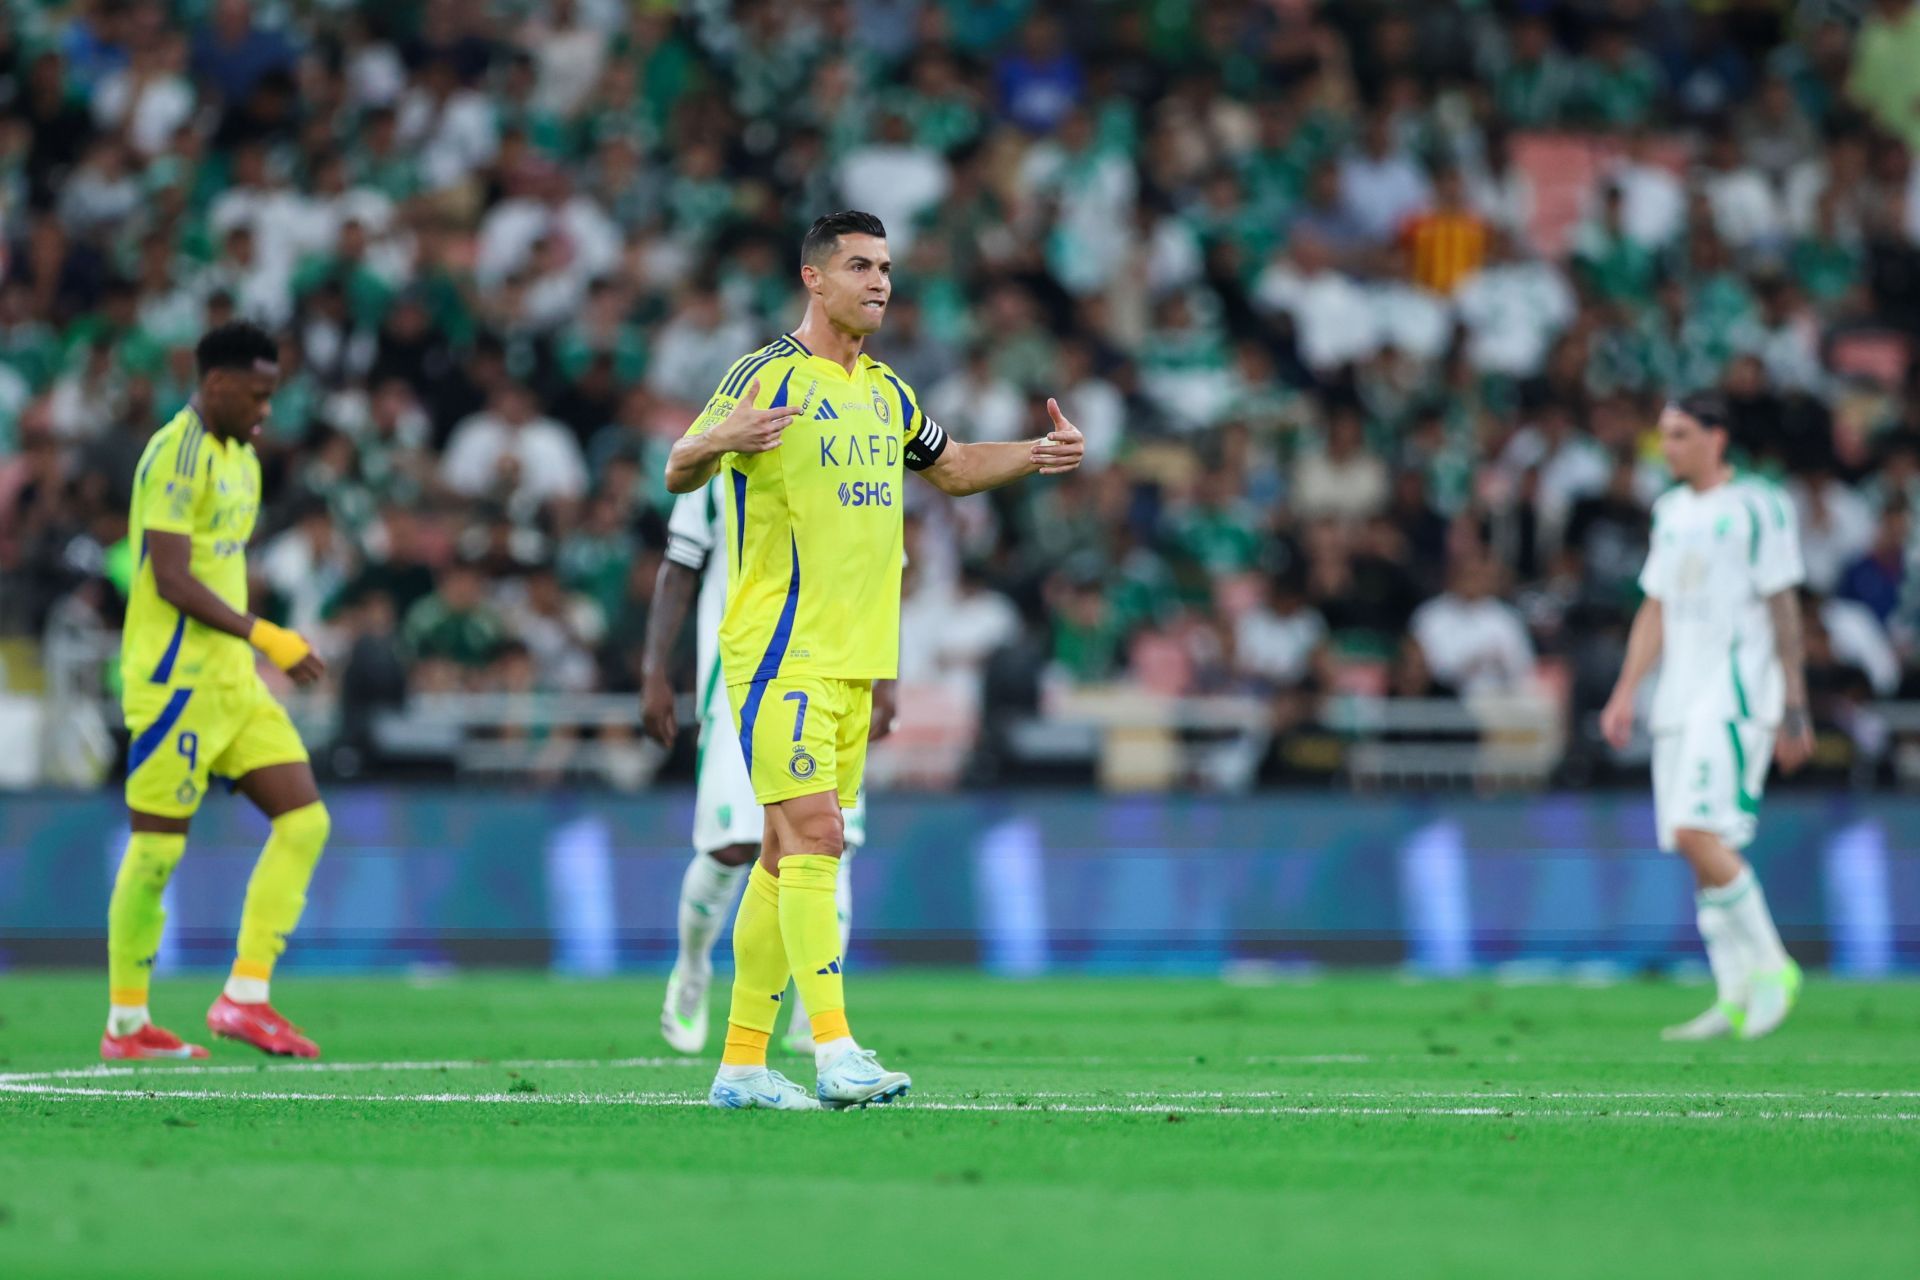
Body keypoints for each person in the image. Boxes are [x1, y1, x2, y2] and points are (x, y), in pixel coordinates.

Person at [663, 210, 1086, 1110]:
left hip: (856, 661)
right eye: (860, 266)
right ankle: (834, 1048)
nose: (881, 283)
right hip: (780, 654)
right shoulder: (766, 373)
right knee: (818, 838)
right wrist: (719, 441)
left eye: (887, 267)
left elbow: (956, 465)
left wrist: (1040, 454)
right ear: (814, 278)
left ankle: (740, 1065)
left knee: (785, 857)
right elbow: (677, 466)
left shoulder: (887, 392)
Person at [103, 321, 332, 1061]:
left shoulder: (243, 457)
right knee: (156, 853)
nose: (268, 410)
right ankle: (128, 1025)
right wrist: (266, 634)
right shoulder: (176, 453)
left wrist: (252, 645)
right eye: (258, 395)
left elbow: (222, 566)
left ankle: (245, 997)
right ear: (217, 385)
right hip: (174, 683)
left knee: (305, 822)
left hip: (234, 683)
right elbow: (170, 578)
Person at [640, 472, 897, 1056]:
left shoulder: (858, 442)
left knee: (830, 842)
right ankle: (693, 966)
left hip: (836, 671)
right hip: (746, 673)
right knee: (734, 847)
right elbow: (680, 565)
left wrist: (888, 674)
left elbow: (884, 566)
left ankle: (814, 1007)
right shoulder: (725, 446)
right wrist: (654, 671)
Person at [1601, 393, 1810, 1042]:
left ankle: (1775, 968)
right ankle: (1734, 994)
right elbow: (1654, 607)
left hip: (1737, 690)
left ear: (1718, 438)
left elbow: (1783, 605)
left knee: (1697, 831)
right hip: (1678, 697)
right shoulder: (1670, 511)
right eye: (1664, 435)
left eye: (1682, 435)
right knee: (1696, 847)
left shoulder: (1760, 505)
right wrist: (1626, 689)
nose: (1669, 447)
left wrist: (1794, 704)